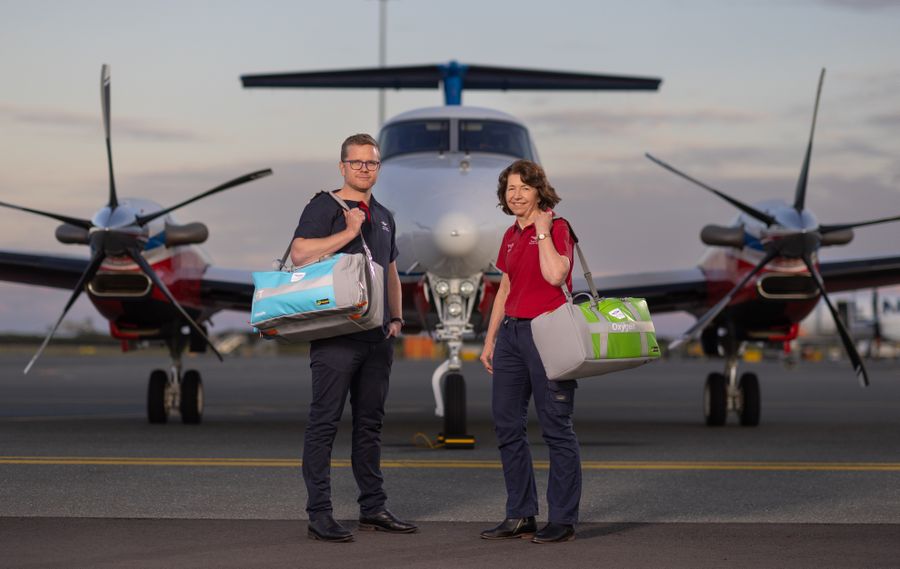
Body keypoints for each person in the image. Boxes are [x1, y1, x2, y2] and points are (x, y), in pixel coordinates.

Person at [291, 133, 416, 542]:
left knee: (370, 425)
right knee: (324, 422)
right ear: (342, 166)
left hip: (376, 336)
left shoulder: (384, 214)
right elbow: (300, 254)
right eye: (357, 163)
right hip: (336, 335)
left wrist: (396, 317)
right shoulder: (324, 205)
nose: (365, 169)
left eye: (372, 163)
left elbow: (391, 270)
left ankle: (373, 508)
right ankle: (319, 514)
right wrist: (347, 232)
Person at [479, 159, 581, 544]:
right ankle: (521, 514)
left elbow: (556, 275)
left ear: (539, 190)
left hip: (549, 333)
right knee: (507, 425)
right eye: (510, 189)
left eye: (524, 188)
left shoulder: (557, 227)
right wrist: (490, 340)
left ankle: (563, 519)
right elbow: (505, 288)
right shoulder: (509, 234)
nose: (516, 195)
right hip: (512, 336)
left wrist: (541, 232)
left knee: (556, 428)